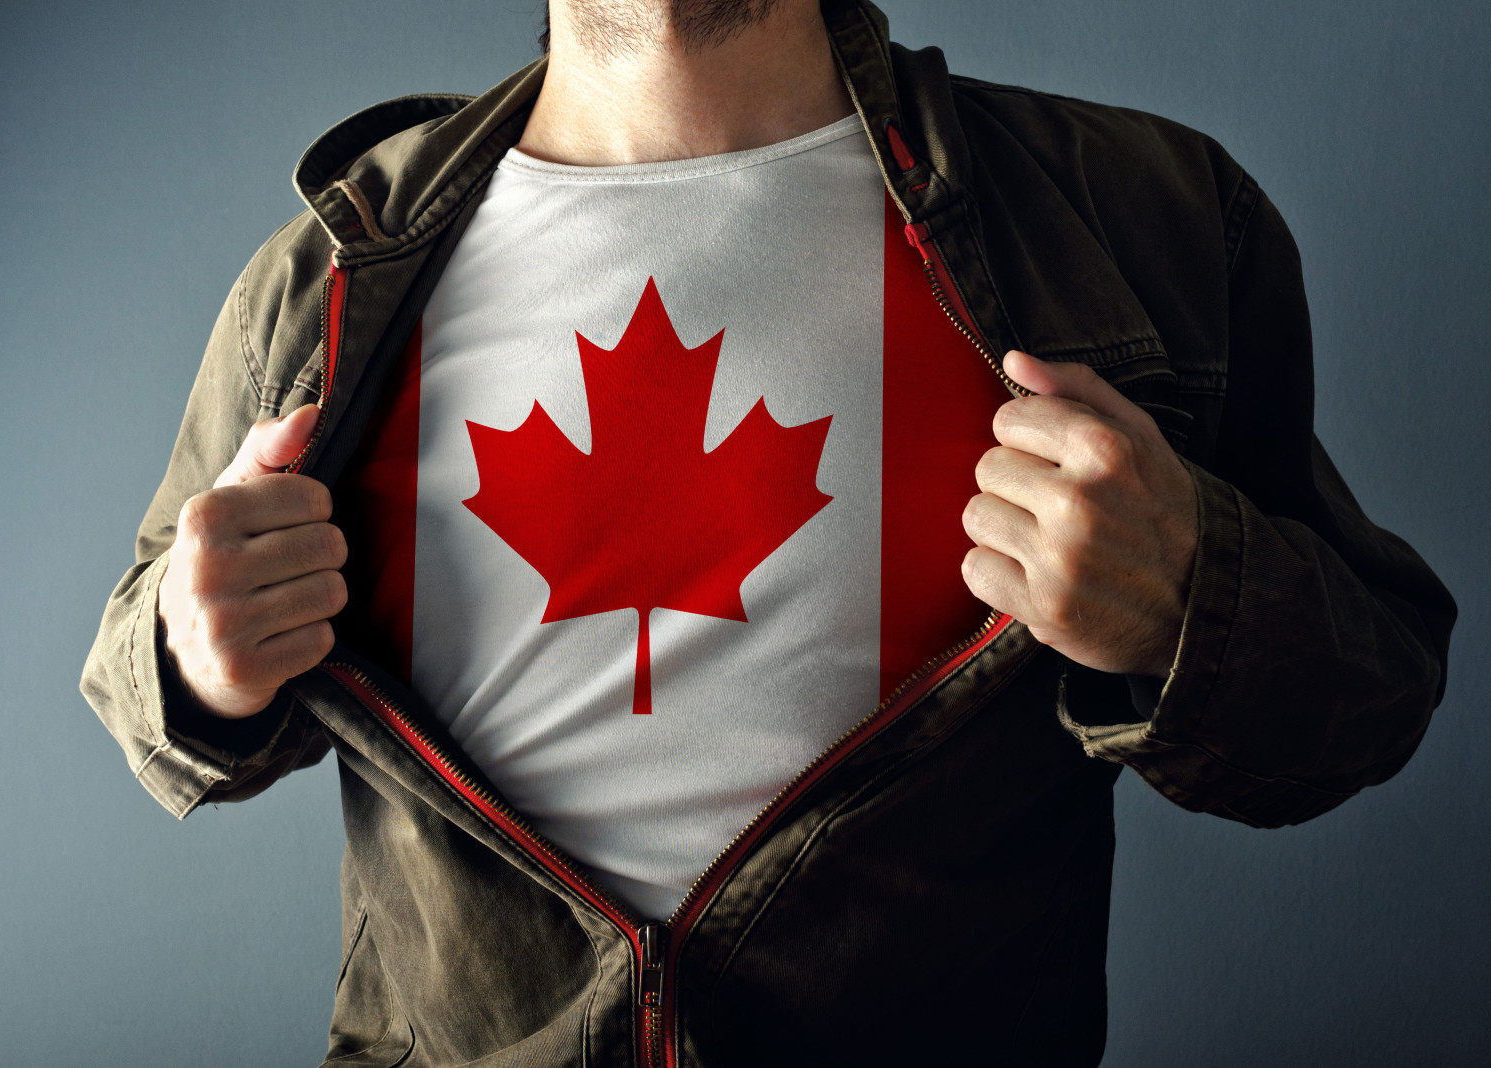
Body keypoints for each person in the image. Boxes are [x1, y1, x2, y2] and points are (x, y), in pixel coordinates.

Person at [80, 1, 1456, 1063]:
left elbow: (1371, 704)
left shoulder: (1143, 218)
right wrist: (192, 656)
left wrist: (1187, 604)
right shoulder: (331, 266)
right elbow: (138, 672)